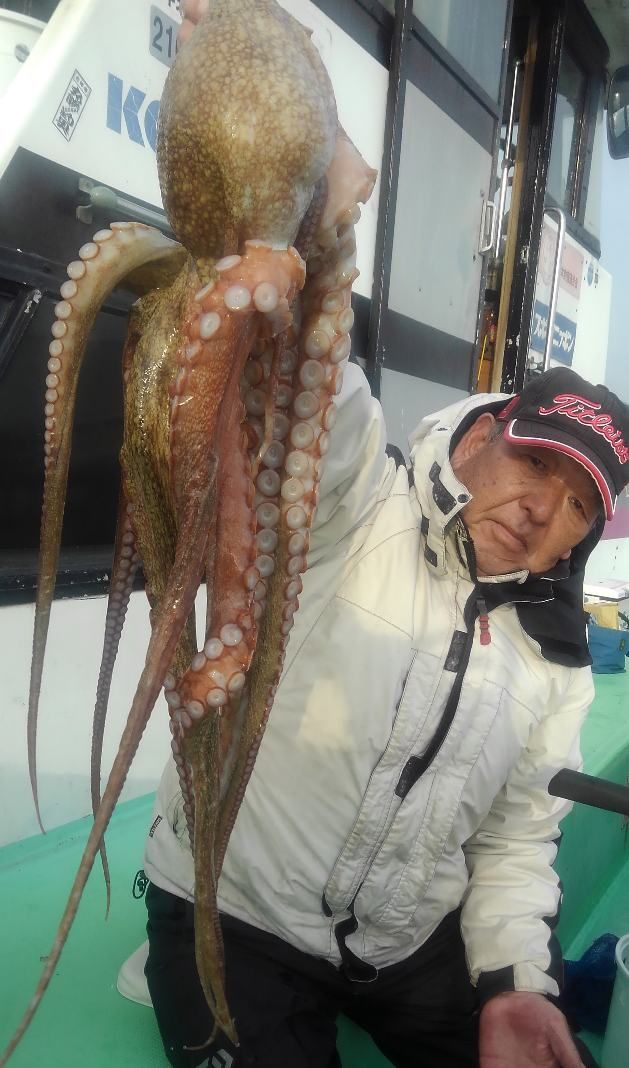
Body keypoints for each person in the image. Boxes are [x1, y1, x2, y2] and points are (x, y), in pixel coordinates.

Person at [115, 8, 629, 1067]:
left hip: (399, 949)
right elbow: (312, 392)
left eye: (578, 504)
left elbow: (515, 839)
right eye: (533, 465)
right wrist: (304, 196)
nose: (542, 508)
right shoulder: (357, 501)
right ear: (480, 439)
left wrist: (512, 984)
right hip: (236, 915)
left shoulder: (556, 659)